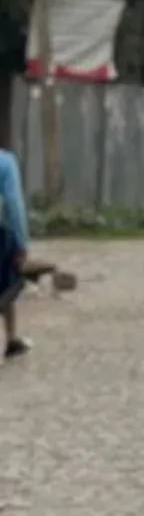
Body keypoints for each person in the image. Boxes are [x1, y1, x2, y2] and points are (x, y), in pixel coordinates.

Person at [0, 145, 31, 359]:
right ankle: (11, 338)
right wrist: (21, 242)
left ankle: (12, 339)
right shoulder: (5, 162)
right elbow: (14, 204)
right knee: (7, 283)